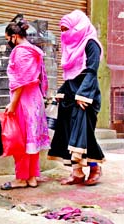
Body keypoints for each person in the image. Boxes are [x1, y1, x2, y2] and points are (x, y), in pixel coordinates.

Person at [48, 10, 105, 185]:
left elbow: (91, 70)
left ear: (78, 26)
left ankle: (95, 167)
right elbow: (69, 74)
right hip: (71, 95)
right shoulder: (69, 46)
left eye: (67, 29)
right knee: (67, 133)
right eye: (62, 30)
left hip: (86, 96)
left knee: (85, 134)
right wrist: (61, 92)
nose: (65, 34)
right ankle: (77, 173)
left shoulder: (90, 43)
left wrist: (84, 95)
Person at [0, 15, 50, 190]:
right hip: (35, 99)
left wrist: (13, 103)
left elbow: (21, 81)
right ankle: (32, 177)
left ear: (14, 36)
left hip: (23, 100)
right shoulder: (34, 50)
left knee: (20, 140)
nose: (9, 44)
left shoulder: (20, 52)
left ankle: (21, 179)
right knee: (32, 139)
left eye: (8, 40)